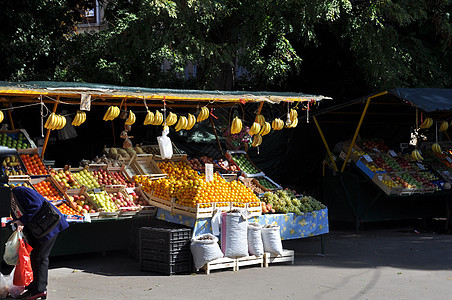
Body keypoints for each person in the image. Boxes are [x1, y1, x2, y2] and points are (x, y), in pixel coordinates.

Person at [10, 186, 69, 300]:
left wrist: (22, 221)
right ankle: (33, 288)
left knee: (41, 257)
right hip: (40, 229)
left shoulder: (20, 191)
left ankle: (40, 290)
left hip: (49, 225)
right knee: (35, 257)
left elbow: (36, 205)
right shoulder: (11, 202)